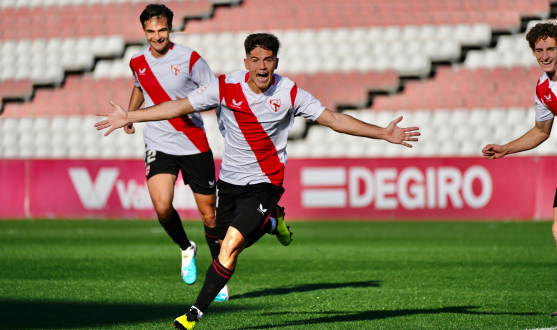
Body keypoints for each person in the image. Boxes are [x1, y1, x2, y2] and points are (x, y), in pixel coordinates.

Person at [95, 33, 420, 329]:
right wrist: (130, 115)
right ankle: (270, 223)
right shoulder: (225, 87)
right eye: (256, 59)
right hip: (230, 183)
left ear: (275, 63)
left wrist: (383, 133)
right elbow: (177, 106)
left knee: (231, 246)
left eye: (268, 60)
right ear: (246, 62)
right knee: (224, 245)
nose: (262, 66)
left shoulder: (289, 92)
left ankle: (193, 315)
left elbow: (333, 119)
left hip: (266, 182)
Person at [127, 4, 228, 301]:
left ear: (170, 28)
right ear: (143, 31)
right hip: (159, 142)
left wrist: (190, 105)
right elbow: (139, 86)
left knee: (210, 216)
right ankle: (186, 248)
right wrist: (130, 115)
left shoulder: (190, 58)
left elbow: (214, 93)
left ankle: (219, 276)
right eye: (150, 31)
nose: (156, 36)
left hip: (194, 142)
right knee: (162, 207)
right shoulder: (137, 62)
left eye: (161, 30)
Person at [481, 22, 557, 317]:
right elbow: (541, 131)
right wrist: (505, 148)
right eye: (539, 50)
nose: (545, 55)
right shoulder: (543, 87)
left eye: (551, 48)